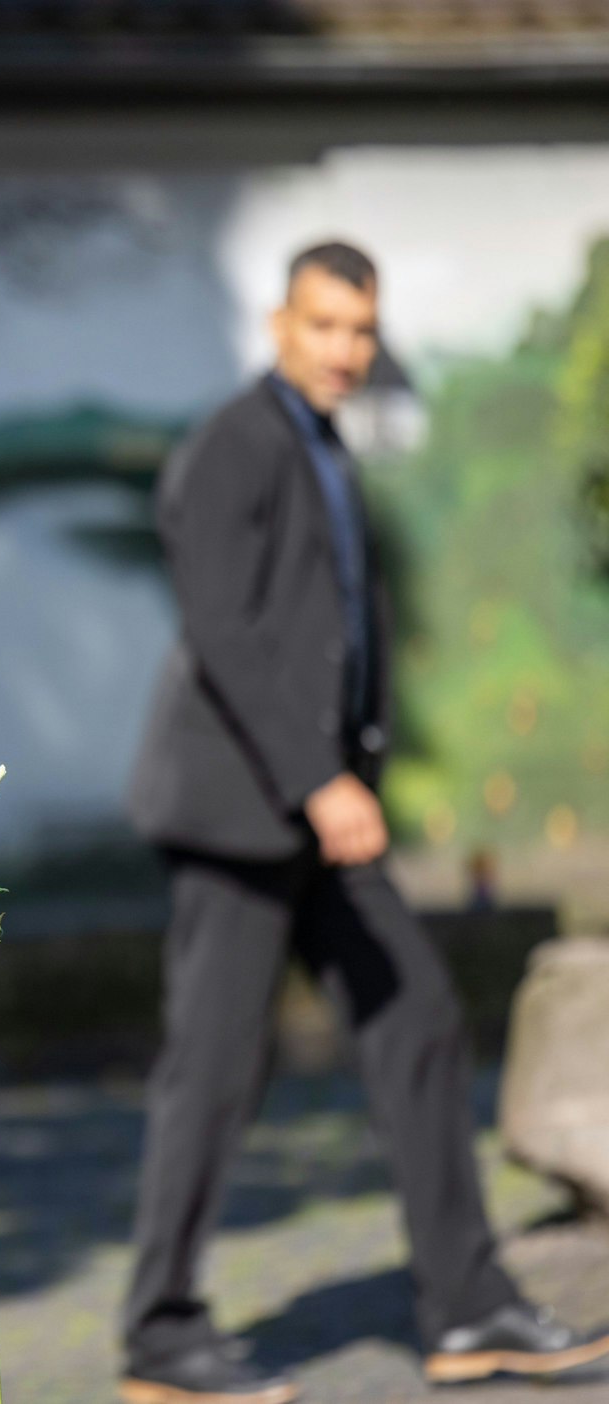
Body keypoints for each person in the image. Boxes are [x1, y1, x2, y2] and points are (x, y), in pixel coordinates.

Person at [122, 241, 609, 1401]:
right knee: (214, 1072)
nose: (346, 350)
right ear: (279, 322)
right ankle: (160, 1336)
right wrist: (317, 780)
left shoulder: (319, 445)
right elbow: (224, 635)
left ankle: (465, 1305)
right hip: (244, 817)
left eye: (360, 330)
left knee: (418, 1019)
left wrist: (353, 771)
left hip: (317, 817)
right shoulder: (231, 446)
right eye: (324, 325)